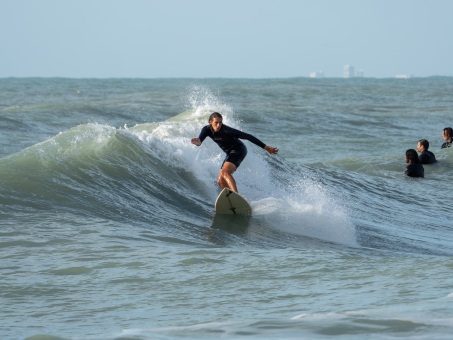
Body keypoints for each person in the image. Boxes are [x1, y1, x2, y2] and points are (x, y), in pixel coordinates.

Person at [191, 112, 278, 193]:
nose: (218, 125)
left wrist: (265, 147)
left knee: (225, 173)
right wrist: (197, 142)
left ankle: (236, 195)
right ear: (210, 122)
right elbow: (199, 142)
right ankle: (231, 199)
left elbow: (248, 136)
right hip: (229, 153)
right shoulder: (206, 130)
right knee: (220, 181)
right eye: (216, 122)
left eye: (220, 122)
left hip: (239, 150)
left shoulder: (227, 130)